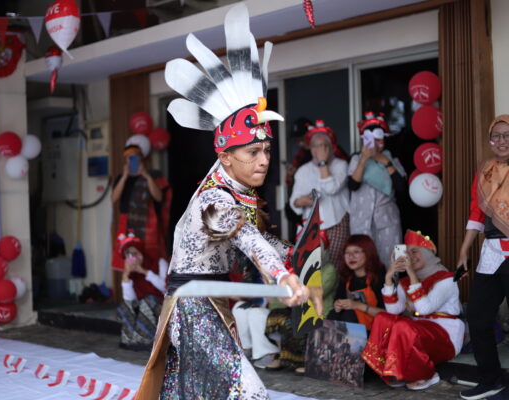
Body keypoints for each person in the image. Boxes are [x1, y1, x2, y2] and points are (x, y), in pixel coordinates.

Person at [136, 5, 322, 398]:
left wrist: (300, 259)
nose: (264, 159)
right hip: (193, 306)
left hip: (212, 303)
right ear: (224, 156)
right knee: (248, 393)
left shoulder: (238, 193)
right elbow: (247, 241)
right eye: (253, 152)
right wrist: (284, 275)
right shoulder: (215, 200)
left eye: (267, 150)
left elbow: (259, 240)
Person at [362, 230, 464, 391]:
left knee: (404, 327)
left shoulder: (447, 279)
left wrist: (410, 273)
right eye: (406, 252)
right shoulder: (405, 282)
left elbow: (425, 308)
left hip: (446, 335)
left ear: (428, 253)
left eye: (415, 251)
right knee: (383, 318)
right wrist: (389, 278)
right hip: (417, 330)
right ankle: (395, 370)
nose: (410, 256)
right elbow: (393, 310)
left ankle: (426, 374)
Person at [456, 115, 509, 400]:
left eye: (506, 135)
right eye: (496, 136)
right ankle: (492, 379)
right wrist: (465, 248)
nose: (501, 141)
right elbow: (477, 212)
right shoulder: (485, 171)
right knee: (477, 316)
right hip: (491, 251)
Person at [262, 249, 338, 372]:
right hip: (297, 307)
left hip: (317, 309)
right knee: (276, 316)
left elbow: (319, 291)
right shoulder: (297, 270)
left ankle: (305, 360)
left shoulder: (328, 269)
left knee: (299, 319)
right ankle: (283, 356)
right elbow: (279, 295)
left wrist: (299, 290)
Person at [347, 111, 407, 265]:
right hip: (361, 221)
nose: (374, 144)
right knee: (363, 264)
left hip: (388, 221)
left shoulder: (392, 158)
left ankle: (392, 289)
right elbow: (352, 185)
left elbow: (401, 187)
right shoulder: (355, 158)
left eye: (378, 139)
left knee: (393, 262)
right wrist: (364, 160)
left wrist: (385, 161)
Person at [290, 120, 350, 269]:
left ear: (332, 147)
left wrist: (323, 163)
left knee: (334, 270)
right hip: (311, 226)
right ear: (310, 148)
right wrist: (301, 201)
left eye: (325, 145)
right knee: (313, 269)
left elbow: (331, 189)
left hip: (336, 223)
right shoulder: (303, 170)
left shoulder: (341, 165)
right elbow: (293, 201)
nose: (320, 149)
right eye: (316, 146)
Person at [111, 134, 172, 272]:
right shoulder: (122, 177)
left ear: (142, 158)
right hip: (126, 223)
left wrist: (146, 175)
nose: (132, 160)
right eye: (128, 157)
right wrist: (125, 176)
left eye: (135, 157)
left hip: (148, 224)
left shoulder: (153, 174)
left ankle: (151, 289)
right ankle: (130, 287)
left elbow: (158, 197)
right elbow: (113, 199)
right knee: (128, 259)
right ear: (125, 159)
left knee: (150, 260)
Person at [115, 231, 167, 351]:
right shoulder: (131, 273)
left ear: (141, 253)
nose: (132, 256)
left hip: (161, 306)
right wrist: (126, 276)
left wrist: (144, 271)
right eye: (128, 254)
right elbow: (129, 300)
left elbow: (166, 288)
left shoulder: (159, 263)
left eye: (134, 253)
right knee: (125, 306)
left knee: (148, 300)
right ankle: (128, 340)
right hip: (142, 307)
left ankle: (145, 340)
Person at [328, 234, 385, 331]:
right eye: (347, 253)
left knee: (349, 314)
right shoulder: (345, 277)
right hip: (353, 329)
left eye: (356, 252)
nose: (351, 256)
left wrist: (357, 305)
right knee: (332, 314)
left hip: (376, 332)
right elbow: (337, 300)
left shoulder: (379, 277)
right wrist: (337, 305)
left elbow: (388, 314)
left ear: (368, 253)